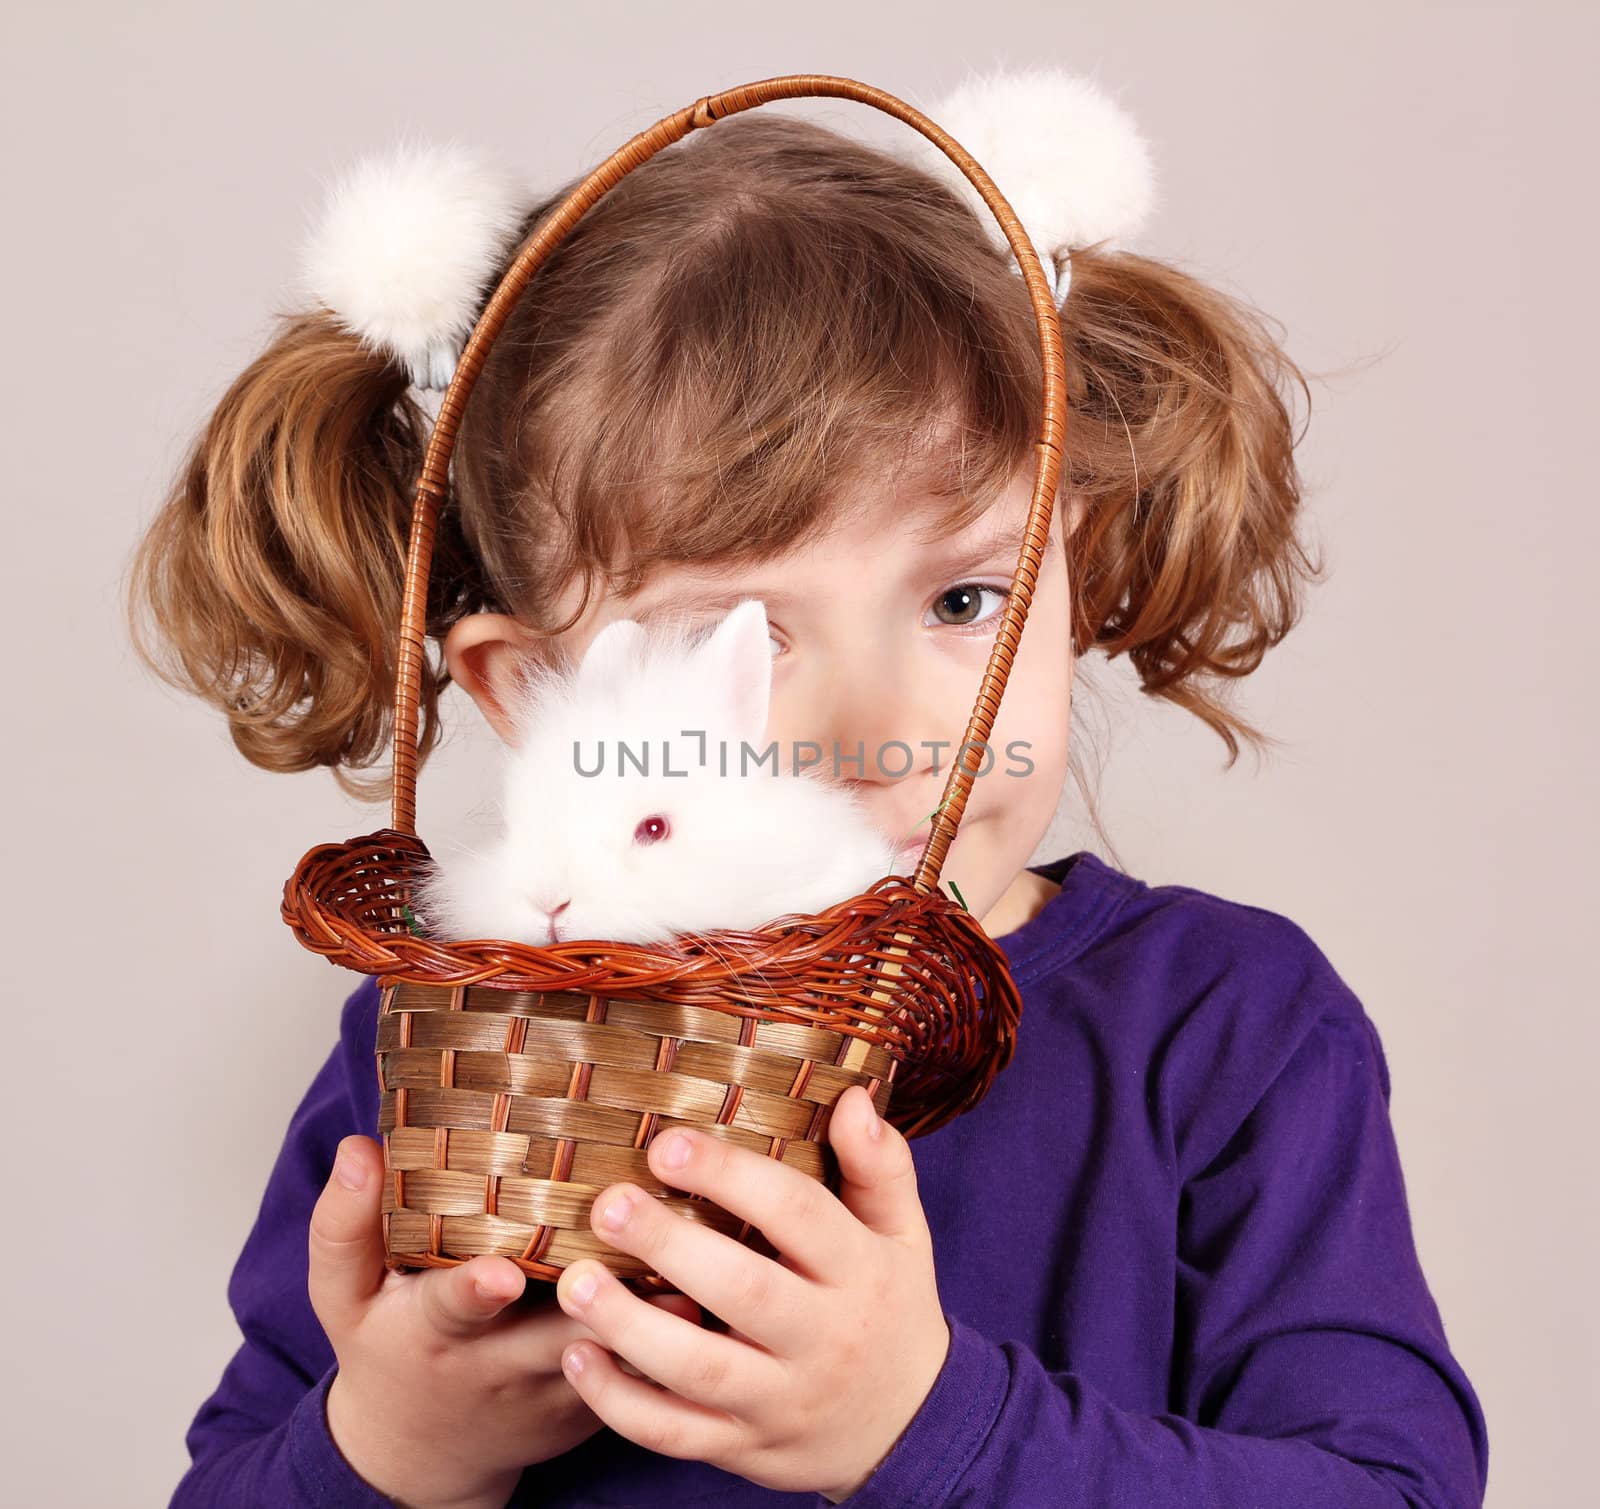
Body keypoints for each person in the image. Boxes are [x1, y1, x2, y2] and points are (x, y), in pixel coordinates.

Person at [130, 79, 1489, 1509]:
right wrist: (394, 1451)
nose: (875, 728)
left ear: (1068, 574)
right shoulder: (444, 1046)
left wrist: (933, 1427)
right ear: (536, 699)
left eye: (964, 595)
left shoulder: (1227, 1024)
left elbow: (1389, 1487)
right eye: (743, 644)